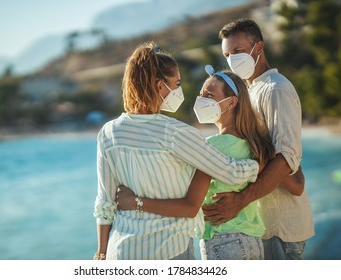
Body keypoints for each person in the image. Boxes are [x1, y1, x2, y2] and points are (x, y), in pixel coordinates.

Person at [93, 42, 260, 260]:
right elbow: (230, 171)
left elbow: (104, 203)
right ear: (161, 87)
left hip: (121, 252)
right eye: (177, 83)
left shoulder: (108, 132)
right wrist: (260, 164)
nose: (179, 90)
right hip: (168, 250)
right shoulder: (175, 132)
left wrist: (101, 252)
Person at [116, 66, 304, 260]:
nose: (202, 100)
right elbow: (295, 180)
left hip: (223, 240)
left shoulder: (212, 147)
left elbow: (190, 203)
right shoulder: (255, 144)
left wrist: (137, 201)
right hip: (253, 240)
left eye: (209, 95)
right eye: (201, 94)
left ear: (231, 102)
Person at [202, 18, 315, 260]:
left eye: (238, 51)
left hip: (279, 226)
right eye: (227, 54)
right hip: (257, 226)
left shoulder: (276, 89)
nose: (232, 59)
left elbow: (286, 157)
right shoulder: (249, 91)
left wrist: (239, 201)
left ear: (259, 48)